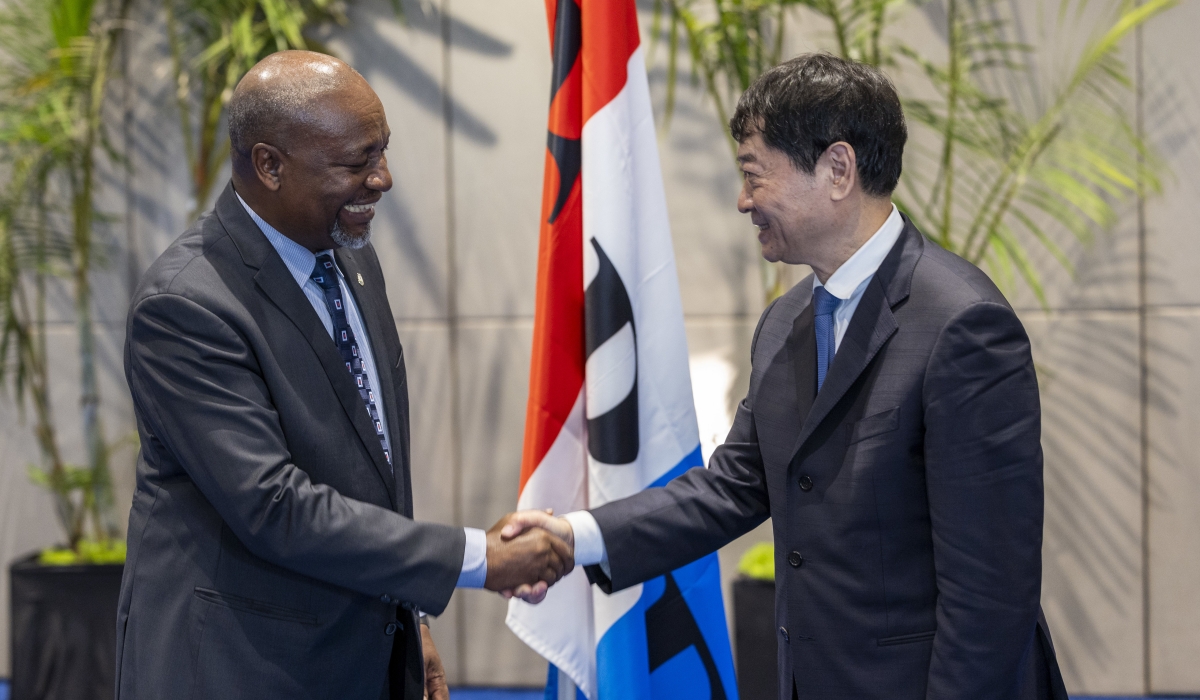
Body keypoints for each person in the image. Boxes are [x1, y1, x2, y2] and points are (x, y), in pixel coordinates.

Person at [502, 54, 1070, 700]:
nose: (744, 202)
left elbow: (990, 597)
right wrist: (573, 535)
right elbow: (731, 490)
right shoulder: (785, 323)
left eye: (754, 175)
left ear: (837, 170)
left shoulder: (965, 327)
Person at [116, 51, 571, 700]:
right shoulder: (185, 306)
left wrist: (407, 617)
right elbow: (273, 506)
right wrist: (477, 559)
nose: (383, 179)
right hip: (239, 666)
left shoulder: (349, 256)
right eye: (357, 162)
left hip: (357, 649)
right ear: (270, 165)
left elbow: (370, 467)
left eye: (382, 152)